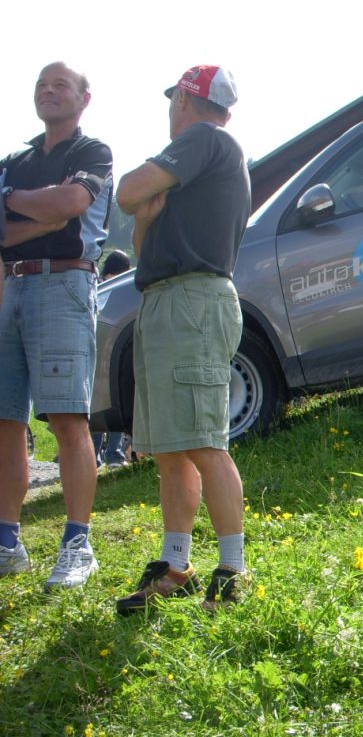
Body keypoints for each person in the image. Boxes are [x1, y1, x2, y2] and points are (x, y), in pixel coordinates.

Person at [113, 65, 250, 614]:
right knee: (172, 447)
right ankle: (176, 566)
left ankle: (233, 569)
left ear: (185, 102)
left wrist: (141, 200)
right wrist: (146, 218)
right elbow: (141, 242)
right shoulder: (195, 167)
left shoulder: (204, 139)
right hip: (166, 300)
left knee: (203, 442)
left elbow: (127, 192)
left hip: (191, 302)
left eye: (174, 101)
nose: (171, 109)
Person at [0, 62, 112, 589]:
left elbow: (72, 204)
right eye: (41, 85)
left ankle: (78, 544)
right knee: (5, 420)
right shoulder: (15, 160)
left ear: (84, 97)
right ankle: (7, 543)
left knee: (67, 419)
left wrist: (13, 202)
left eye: (60, 84)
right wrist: (42, 212)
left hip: (65, 283)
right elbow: (12, 229)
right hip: (11, 286)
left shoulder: (92, 152)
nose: (48, 91)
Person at [92, 250, 132, 467]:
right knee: (111, 404)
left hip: (98, 354)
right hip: (108, 356)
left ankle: (98, 454)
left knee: (100, 405)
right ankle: (111, 453)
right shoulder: (116, 290)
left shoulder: (98, 287)